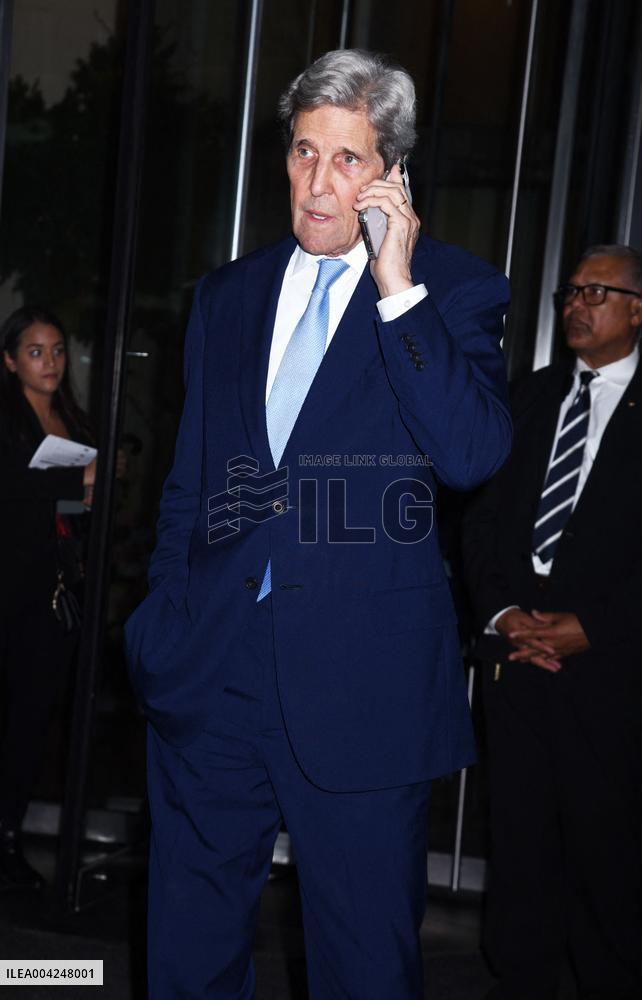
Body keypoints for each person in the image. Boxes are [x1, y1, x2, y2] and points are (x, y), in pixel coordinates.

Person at [125, 48, 511, 998]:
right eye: (305, 152)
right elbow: (190, 488)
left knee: (364, 965)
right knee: (186, 953)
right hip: (210, 676)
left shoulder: (451, 293)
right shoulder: (227, 296)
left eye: (348, 159)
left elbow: (472, 455)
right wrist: (163, 629)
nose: (318, 182)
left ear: (392, 175)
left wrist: (396, 287)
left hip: (363, 687)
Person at [462, 244, 642, 1000]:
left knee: (608, 858)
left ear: (638, 310)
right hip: (518, 666)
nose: (576, 303)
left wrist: (595, 626)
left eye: (597, 292)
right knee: (522, 847)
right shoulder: (529, 398)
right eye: (571, 290)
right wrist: (503, 614)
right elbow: (479, 521)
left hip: (613, 675)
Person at [0, 305, 95, 888]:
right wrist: (77, 480)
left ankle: (8, 832)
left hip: (56, 586)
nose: (51, 362)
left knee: (34, 718)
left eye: (57, 350)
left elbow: (78, 500)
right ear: (10, 360)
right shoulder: (7, 417)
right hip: (10, 584)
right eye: (36, 351)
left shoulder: (70, 416)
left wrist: (88, 488)